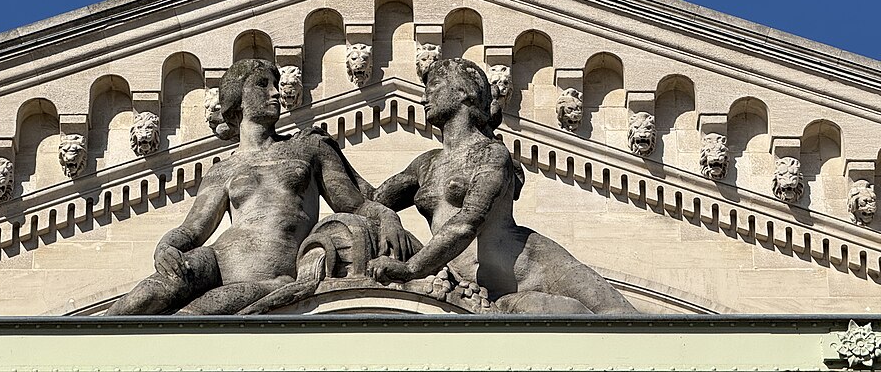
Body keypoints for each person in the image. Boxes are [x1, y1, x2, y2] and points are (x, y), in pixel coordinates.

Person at [107, 59, 410, 315]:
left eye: (274, 84)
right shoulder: (222, 170)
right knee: (147, 294)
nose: (276, 92)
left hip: (272, 275)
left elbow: (354, 204)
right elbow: (192, 230)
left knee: (196, 314)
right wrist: (166, 246)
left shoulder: (309, 148)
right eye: (262, 85)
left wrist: (387, 216)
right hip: (217, 261)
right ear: (237, 98)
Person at [366, 58, 636, 314]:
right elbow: (367, 202)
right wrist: (326, 153)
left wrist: (412, 269)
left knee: (623, 320)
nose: (424, 97)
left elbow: (468, 222)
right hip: (496, 292)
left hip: (535, 266)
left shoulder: (491, 154)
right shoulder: (425, 165)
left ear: (464, 93)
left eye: (434, 87)